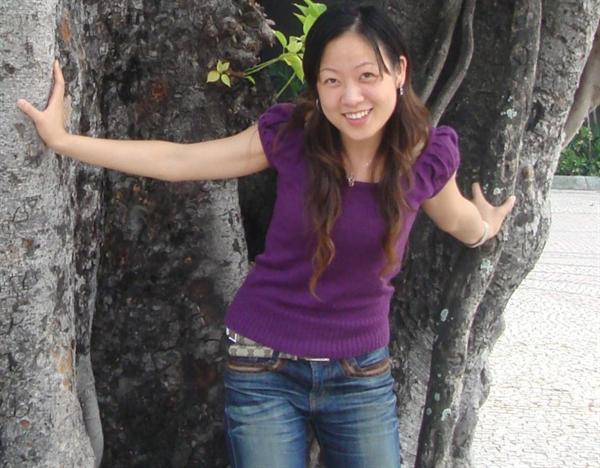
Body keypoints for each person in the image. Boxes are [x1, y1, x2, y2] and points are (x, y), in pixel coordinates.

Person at [17, 4, 515, 468]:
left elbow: (458, 220)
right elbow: (179, 160)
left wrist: (486, 228)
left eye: (368, 76)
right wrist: (64, 141)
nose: (351, 97)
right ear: (315, 86)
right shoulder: (292, 136)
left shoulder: (422, 157)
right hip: (264, 368)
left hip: (361, 376)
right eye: (332, 80)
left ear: (400, 73)